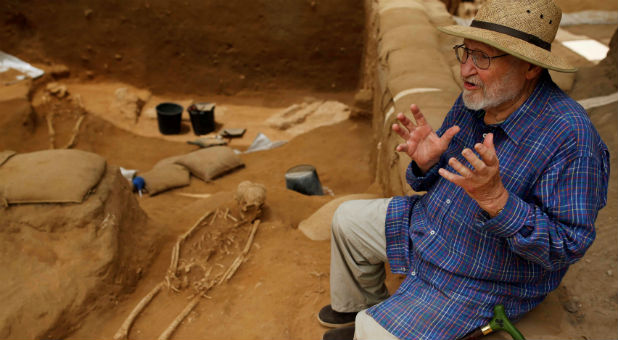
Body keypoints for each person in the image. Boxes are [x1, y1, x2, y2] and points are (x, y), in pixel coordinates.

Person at [317, 0, 610, 339]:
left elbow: (568, 244)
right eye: (466, 52)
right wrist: (427, 163)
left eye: (483, 58)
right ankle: (356, 309)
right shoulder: (479, 95)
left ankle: (370, 326)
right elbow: (441, 177)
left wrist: (498, 200)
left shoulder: (572, 137)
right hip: (434, 227)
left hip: (485, 275)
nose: (466, 70)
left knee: (374, 331)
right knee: (347, 220)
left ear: (530, 67)